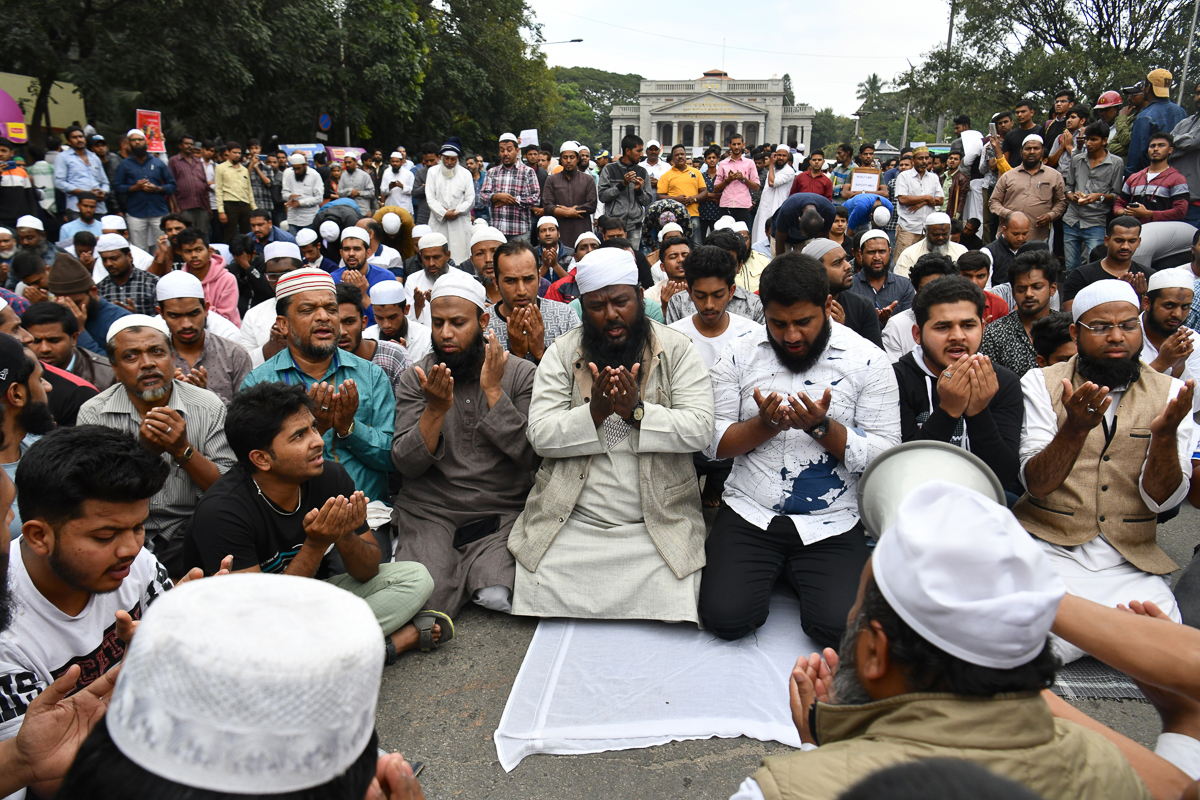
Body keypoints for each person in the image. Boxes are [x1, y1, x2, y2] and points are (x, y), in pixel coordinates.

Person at [733, 481, 1165, 800]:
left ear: (874, 653)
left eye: (856, 613)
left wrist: (815, 753)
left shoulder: (782, 791)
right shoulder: (1112, 769)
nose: (848, 619)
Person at [699, 253, 900, 647]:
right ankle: (778, 568)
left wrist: (822, 428)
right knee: (725, 619)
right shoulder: (738, 354)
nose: (791, 336)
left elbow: (884, 456)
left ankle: (794, 571)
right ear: (764, 312)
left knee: (839, 629)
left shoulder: (868, 361)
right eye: (778, 323)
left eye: (803, 322)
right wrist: (763, 426)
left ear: (827, 306)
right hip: (750, 512)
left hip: (831, 520)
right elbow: (712, 443)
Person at [508, 247, 712, 622]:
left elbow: (701, 428)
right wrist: (596, 413)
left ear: (638, 294)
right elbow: (539, 434)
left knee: (674, 577)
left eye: (620, 301)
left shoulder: (677, 349)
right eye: (597, 306)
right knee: (543, 572)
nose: (611, 315)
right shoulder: (561, 352)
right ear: (582, 307)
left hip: (655, 519)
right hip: (575, 518)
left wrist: (637, 413)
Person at [184, 383, 448, 664]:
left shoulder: (329, 477)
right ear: (261, 459)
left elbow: (368, 571)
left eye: (312, 428)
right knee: (262, 652)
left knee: (415, 578)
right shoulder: (223, 512)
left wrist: (344, 536)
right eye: (299, 436)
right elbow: (258, 619)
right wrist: (316, 544)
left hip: (307, 606)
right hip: (244, 626)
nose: (318, 440)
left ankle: (328, 653)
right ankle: (386, 646)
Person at [1014, 280, 1195, 662]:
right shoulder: (1041, 383)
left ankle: (1092, 637)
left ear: (1140, 328)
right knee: (1027, 644)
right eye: (1101, 327)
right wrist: (1074, 429)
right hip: (1050, 551)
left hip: (1129, 561)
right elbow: (1037, 484)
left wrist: (1163, 437)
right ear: (1076, 333)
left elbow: (1163, 501)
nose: (1116, 337)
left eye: (1128, 326)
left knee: (1168, 648)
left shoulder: (1172, 393)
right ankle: (1104, 639)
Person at [392, 270, 535, 618]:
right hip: (433, 512)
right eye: (438, 323)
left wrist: (494, 392)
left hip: (501, 511)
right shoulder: (418, 378)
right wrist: (435, 410)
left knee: (496, 594)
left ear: (483, 320)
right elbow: (405, 463)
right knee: (425, 600)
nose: (446, 334)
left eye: (458, 322)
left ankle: (472, 571)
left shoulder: (519, 374)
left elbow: (534, 456)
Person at [77, 316, 234, 576]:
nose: (147, 364)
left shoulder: (207, 405)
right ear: (114, 368)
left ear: (172, 359)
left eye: (157, 352)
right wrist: (145, 452)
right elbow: (93, 494)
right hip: (119, 533)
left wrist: (183, 451)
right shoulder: (95, 413)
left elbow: (227, 490)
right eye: (131, 356)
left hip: (193, 529)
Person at [240, 269, 395, 504]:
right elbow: (254, 466)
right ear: (283, 325)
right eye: (308, 310)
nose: (324, 317)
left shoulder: (371, 376)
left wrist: (349, 428)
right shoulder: (259, 383)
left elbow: (392, 458)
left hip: (366, 514)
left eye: (331, 309)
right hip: (289, 519)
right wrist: (314, 431)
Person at [892, 276, 1023, 486]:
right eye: (943, 327)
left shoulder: (1002, 382)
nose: (957, 336)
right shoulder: (895, 380)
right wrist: (949, 411)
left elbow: (1004, 476)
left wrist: (978, 412)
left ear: (983, 327)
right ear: (917, 334)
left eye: (968, 325)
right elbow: (903, 471)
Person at [155, 271, 251, 408]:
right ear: (161, 314)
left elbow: (247, 415)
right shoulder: (153, 359)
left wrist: (206, 396)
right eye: (175, 316)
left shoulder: (234, 354)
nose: (186, 324)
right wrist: (165, 391)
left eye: (193, 313)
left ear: (206, 309)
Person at [485, 239, 579, 365]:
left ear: (539, 278)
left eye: (528, 279)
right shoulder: (484, 325)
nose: (521, 291)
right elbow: (485, 382)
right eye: (510, 281)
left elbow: (577, 376)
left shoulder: (565, 316)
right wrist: (516, 354)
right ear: (496, 282)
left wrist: (541, 352)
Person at [980, 250, 1061, 377]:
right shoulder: (995, 333)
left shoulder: (1066, 329)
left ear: (1052, 289)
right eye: (1021, 289)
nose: (1029, 294)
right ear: (1013, 293)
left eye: (1037, 287)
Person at [1063, 121, 1125, 274]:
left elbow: (1116, 195)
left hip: (1095, 221)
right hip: (1071, 219)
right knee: (1071, 267)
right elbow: (1068, 188)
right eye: (1086, 139)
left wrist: (1099, 197)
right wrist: (1073, 196)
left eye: (1094, 139)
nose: (1088, 143)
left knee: (1097, 265)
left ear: (1104, 140)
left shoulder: (1116, 163)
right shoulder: (1077, 159)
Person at [802, 237, 883, 348]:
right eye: (837, 263)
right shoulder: (797, 309)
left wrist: (842, 331)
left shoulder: (862, 307)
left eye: (846, 259)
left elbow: (876, 358)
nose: (848, 266)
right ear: (815, 271)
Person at [336, 283, 410, 399]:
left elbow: (408, 410)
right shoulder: (320, 361)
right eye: (334, 323)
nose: (342, 332)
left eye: (349, 322)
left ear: (363, 322)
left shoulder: (394, 357)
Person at [882, 253, 960, 363]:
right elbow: (893, 372)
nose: (933, 296)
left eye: (940, 290)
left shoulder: (962, 323)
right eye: (926, 290)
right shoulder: (897, 325)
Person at [22, 300, 115, 392]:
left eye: (54, 341)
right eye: (36, 341)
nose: (45, 349)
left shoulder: (107, 378)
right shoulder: (16, 371)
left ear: (74, 338)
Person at [990, 135, 1068, 242]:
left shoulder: (1054, 176)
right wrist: (1009, 214)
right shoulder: (1008, 176)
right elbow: (993, 202)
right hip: (1008, 237)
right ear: (1021, 152)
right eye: (1028, 149)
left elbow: (1061, 202)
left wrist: (1050, 216)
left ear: (1042, 152)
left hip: (1038, 237)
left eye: (1036, 148)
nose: (1032, 152)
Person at [1061, 216, 1148, 310]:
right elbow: (1071, 314)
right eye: (1119, 241)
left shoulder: (1147, 276)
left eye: (1132, 241)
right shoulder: (1080, 276)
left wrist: (1140, 296)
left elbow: (1152, 319)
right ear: (1107, 241)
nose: (1125, 246)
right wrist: (1118, 294)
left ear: (1139, 242)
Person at [47, 252, 131, 349]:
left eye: (76, 303)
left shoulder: (120, 320)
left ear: (93, 291)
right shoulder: (57, 315)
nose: (71, 310)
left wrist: (80, 330)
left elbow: (113, 362)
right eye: (64, 304)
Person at [113, 129, 175, 252]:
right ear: (129, 144)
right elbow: (117, 187)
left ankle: (164, 271)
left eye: (140, 140)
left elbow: (172, 185)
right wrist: (134, 188)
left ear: (145, 142)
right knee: (139, 249)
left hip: (159, 211)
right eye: (134, 140)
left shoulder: (158, 163)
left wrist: (157, 188)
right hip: (136, 212)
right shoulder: (124, 165)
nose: (137, 143)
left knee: (163, 247)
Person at [1139, 269, 1200, 393]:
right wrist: (1162, 363)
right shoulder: (1124, 336)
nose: (1177, 314)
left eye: (1185, 307)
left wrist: (1179, 367)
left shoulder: (1194, 340)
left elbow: (1196, 404)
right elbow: (1120, 398)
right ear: (1147, 303)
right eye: (1169, 305)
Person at [1115, 131, 1189, 223]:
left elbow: (1180, 212)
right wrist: (1126, 213)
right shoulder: (1134, 177)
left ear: (1170, 150)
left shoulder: (1177, 179)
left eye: (1161, 145)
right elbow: (1118, 204)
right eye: (1152, 146)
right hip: (1133, 231)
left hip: (1162, 232)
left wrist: (1148, 214)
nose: (1156, 149)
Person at [1127, 69, 1189, 178]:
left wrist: (1129, 179)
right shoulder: (1181, 112)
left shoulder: (1145, 116)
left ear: (1148, 88)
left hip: (1149, 178)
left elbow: (1136, 155)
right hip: (1175, 177)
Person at [479, 133, 540, 241]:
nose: (505, 153)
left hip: (519, 231)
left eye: (509, 150)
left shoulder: (527, 172)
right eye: (502, 150)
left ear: (517, 151)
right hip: (496, 231)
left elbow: (536, 199)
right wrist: (497, 197)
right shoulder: (492, 172)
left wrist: (513, 200)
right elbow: (483, 197)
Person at [330, 226, 396, 327]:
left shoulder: (386, 278)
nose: (351, 254)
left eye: (357, 249)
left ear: (368, 253)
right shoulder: (332, 279)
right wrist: (345, 290)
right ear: (341, 253)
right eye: (347, 249)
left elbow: (388, 322)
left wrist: (363, 294)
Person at [173, 226, 240, 325]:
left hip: (224, 334)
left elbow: (226, 318)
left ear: (209, 252)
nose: (194, 255)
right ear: (182, 255)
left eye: (199, 250)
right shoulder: (179, 281)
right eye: (188, 251)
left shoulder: (227, 279)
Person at [424, 139, 475, 264]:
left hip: (459, 223)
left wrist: (456, 212)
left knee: (460, 257)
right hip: (439, 222)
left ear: (457, 159)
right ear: (441, 157)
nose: (449, 162)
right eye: (446, 158)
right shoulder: (432, 172)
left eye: (453, 159)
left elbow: (470, 199)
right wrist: (444, 213)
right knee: (437, 255)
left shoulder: (465, 174)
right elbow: (430, 198)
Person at [599, 135, 655, 247]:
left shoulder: (642, 172)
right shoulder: (609, 169)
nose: (641, 154)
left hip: (635, 226)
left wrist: (639, 190)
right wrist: (622, 185)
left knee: (632, 258)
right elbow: (603, 196)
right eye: (638, 151)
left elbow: (647, 200)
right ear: (628, 151)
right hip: (613, 227)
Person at [848, 230, 915, 324]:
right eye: (871, 252)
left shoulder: (904, 286)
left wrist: (888, 322)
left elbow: (909, 324)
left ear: (890, 251)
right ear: (860, 254)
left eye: (882, 251)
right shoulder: (849, 286)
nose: (877, 257)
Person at [542, 141, 597, 252]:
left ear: (577, 159)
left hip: (581, 227)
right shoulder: (551, 180)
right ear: (560, 160)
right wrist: (566, 213)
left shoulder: (588, 180)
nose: (568, 161)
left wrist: (572, 211)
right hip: (560, 229)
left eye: (572, 157)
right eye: (565, 157)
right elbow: (547, 206)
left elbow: (591, 205)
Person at [894, 147, 944, 259]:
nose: (924, 161)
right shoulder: (904, 176)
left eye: (926, 158)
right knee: (903, 261)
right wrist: (927, 198)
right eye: (921, 158)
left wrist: (923, 202)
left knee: (926, 263)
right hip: (908, 228)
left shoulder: (933, 177)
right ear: (913, 161)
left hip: (927, 230)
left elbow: (940, 200)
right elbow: (903, 199)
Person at [93, 232, 158, 317]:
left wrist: (134, 317)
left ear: (129, 256)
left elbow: (161, 320)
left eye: (114, 259)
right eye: (104, 260)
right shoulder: (100, 288)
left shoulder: (152, 283)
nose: (108, 264)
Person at [655, 144, 709, 248]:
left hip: (693, 215)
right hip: (673, 217)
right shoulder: (666, 176)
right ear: (672, 158)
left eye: (682, 154)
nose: (680, 156)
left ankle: (697, 264)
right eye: (677, 155)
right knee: (676, 245)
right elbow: (660, 196)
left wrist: (694, 199)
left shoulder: (696, 173)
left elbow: (704, 192)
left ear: (686, 156)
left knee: (696, 245)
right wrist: (676, 200)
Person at [364, 279, 431, 361]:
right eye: (379, 318)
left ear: (406, 309)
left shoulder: (426, 338)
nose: (386, 325)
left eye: (392, 317)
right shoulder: (365, 338)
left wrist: (404, 358)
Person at [53, 125, 110, 219]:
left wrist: (103, 192)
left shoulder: (94, 157)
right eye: (74, 137)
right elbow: (59, 182)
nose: (79, 140)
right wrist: (85, 194)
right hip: (77, 208)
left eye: (81, 137)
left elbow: (105, 182)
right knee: (81, 234)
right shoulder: (63, 157)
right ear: (68, 141)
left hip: (98, 207)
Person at [893, 211, 968, 278]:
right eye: (935, 235)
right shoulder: (909, 254)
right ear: (925, 232)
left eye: (945, 234)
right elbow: (903, 284)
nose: (941, 238)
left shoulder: (961, 251)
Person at [713, 134, 760, 227]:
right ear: (729, 146)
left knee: (742, 235)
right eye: (734, 144)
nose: (737, 147)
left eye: (739, 144)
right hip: (726, 205)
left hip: (743, 205)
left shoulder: (750, 163)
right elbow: (716, 189)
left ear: (743, 144)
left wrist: (743, 179)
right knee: (725, 236)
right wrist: (728, 180)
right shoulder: (723, 164)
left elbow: (756, 187)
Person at [1171, 80, 1200, 226]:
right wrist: (1180, 144)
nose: (1199, 97)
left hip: (1196, 201)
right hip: (1175, 198)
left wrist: (1176, 142)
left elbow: (1193, 142)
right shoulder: (1186, 122)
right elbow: (1167, 143)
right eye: (1197, 93)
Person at [166, 134, 209, 232]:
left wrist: (208, 208)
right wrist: (175, 207)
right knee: (187, 233)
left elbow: (204, 185)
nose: (189, 146)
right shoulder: (174, 161)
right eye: (186, 144)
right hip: (184, 205)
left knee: (203, 234)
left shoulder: (198, 162)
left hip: (201, 205)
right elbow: (171, 185)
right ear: (180, 145)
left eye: (191, 144)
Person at [771, 192, 836, 257]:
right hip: (781, 235)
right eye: (803, 234)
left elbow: (819, 242)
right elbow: (780, 241)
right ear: (799, 219)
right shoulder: (788, 209)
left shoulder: (829, 212)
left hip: (806, 240)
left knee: (807, 263)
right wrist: (781, 263)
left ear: (822, 220)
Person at [956, 251, 1011, 323]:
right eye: (967, 276)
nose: (974, 282)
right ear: (957, 275)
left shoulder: (999, 305)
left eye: (980, 276)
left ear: (988, 276)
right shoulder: (944, 303)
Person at [214, 142, 253, 241]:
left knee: (247, 234)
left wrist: (253, 207)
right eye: (234, 152)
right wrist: (221, 211)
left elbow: (249, 189)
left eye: (239, 153)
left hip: (245, 204)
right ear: (228, 152)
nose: (237, 155)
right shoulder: (220, 168)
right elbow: (218, 190)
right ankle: (228, 255)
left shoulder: (244, 170)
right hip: (230, 204)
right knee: (229, 233)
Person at [985, 210, 1032, 287]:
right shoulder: (989, 252)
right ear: (1004, 230)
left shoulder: (1030, 251)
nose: (1020, 238)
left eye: (1024, 234)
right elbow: (986, 287)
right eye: (1015, 234)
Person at [282, 152, 324, 229]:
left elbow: (319, 198)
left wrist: (300, 203)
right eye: (294, 169)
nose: (296, 171)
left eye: (298, 168)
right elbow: (284, 193)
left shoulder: (314, 175)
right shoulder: (289, 175)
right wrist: (289, 196)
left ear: (305, 165)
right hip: (293, 219)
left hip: (309, 219)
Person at [534, 216, 572, 281]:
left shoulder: (571, 254)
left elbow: (572, 284)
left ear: (558, 233)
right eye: (543, 231)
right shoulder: (532, 254)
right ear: (538, 236)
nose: (548, 234)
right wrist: (545, 266)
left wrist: (555, 265)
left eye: (552, 230)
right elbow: (531, 283)